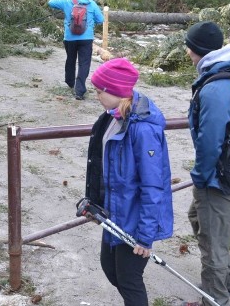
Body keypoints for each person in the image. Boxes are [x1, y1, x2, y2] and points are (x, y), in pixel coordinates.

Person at [84, 57, 173, 306]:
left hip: (135, 220)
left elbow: (153, 185)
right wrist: (95, 203)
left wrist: (145, 236)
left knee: (129, 280)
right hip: (114, 213)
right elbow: (101, 166)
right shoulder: (111, 118)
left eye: (100, 91)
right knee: (110, 269)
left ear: (116, 91)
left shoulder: (143, 130)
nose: (97, 96)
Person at [183, 21, 230, 306]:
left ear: (196, 50)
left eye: (188, 46)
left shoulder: (216, 87)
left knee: (213, 244)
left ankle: (215, 299)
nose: (186, 51)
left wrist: (200, 176)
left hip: (219, 178)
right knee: (199, 221)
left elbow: (209, 140)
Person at [47, 0, 105, 99]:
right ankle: (79, 91)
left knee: (70, 60)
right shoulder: (92, 4)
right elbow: (101, 19)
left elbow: (51, 2)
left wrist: (67, 4)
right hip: (86, 39)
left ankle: (70, 83)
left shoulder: (67, 1)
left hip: (69, 38)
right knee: (84, 64)